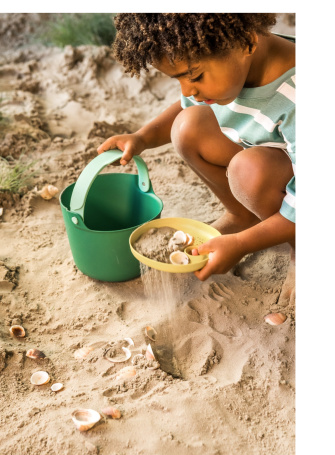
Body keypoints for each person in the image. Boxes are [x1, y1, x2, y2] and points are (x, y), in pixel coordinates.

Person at [97, 13, 295, 306]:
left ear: (247, 42)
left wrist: (240, 245)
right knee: (188, 126)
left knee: (249, 171)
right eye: (178, 79)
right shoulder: (227, 57)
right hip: (273, 156)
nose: (187, 90)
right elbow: (185, 107)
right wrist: (143, 137)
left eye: (195, 76)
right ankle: (242, 215)